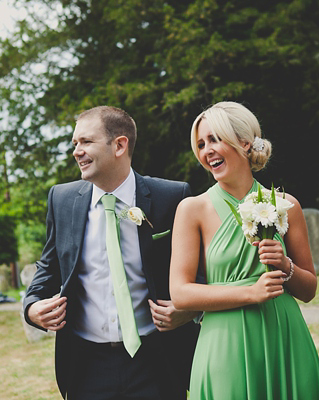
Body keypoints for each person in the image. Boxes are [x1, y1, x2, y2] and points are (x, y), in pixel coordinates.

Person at [23, 106, 200, 399]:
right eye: (75, 144)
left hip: (158, 359)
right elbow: (48, 267)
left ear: (119, 145)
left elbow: (200, 269)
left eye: (86, 142)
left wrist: (188, 310)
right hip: (86, 365)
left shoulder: (172, 196)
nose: (76, 151)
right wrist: (32, 308)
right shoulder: (61, 199)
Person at [169, 101, 319, 399]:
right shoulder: (193, 209)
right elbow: (181, 293)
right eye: (201, 144)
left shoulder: (285, 205)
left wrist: (285, 265)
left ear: (244, 143)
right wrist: (250, 293)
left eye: (214, 139)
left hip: (283, 335)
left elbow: (309, 289)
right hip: (224, 344)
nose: (206, 151)